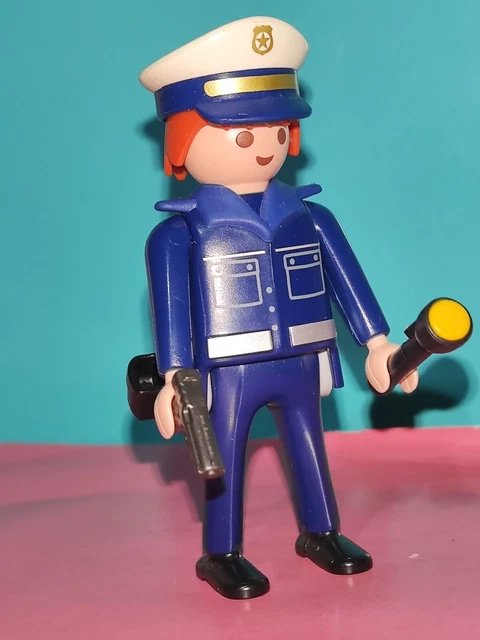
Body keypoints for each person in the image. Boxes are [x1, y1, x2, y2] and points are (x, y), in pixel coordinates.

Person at [139, 16, 418, 599]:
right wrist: (173, 377)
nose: (265, 147)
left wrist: (377, 342)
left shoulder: (310, 217)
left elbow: (349, 283)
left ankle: (321, 532)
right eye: (243, 136)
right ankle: (222, 551)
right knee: (223, 457)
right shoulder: (178, 235)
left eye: (277, 132)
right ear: (183, 141)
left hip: (302, 358)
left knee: (310, 446)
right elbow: (171, 311)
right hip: (228, 368)